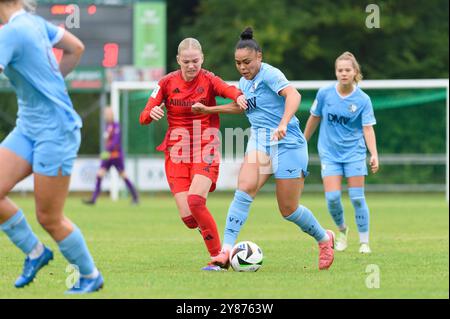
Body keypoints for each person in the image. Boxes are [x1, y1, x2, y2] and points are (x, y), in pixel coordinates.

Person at [192, 27, 335, 270]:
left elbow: (294, 95)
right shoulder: (243, 83)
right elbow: (241, 107)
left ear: (259, 57)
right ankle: (225, 251)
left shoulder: (270, 74)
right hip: (260, 141)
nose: (242, 67)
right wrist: (209, 110)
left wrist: (283, 123)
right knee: (244, 187)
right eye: (238, 63)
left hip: (288, 142)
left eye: (247, 62)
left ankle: (324, 238)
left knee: (288, 209)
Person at [0, 0, 103, 293]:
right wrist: (52, 81)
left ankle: (90, 275)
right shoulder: (33, 22)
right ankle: (35, 252)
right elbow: (76, 48)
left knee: (49, 217)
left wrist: (49, 86)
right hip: (28, 127)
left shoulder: (11, 33)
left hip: (56, 131)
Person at [139, 37, 246, 271]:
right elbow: (144, 115)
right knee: (189, 219)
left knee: (196, 201)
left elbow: (229, 90)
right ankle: (208, 232)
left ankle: (219, 256)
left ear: (202, 59)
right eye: (186, 61)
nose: (191, 66)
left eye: (195, 61)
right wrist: (152, 113)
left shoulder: (208, 79)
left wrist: (238, 95)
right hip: (176, 151)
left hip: (205, 146)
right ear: (178, 60)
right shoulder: (166, 83)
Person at [303, 51, 379, 254]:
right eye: (340, 70)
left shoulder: (363, 99)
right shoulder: (324, 94)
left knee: (356, 197)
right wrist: (303, 142)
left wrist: (374, 154)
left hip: (354, 153)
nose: (343, 73)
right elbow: (314, 118)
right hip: (329, 154)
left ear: (355, 72)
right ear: (336, 72)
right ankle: (342, 230)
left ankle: (364, 242)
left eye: (347, 70)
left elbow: (367, 128)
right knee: (333, 198)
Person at [83, 106, 139, 205]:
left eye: (108, 114)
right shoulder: (107, 126)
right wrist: (106, 151)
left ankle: (135, 197)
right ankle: (93, 199)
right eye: (105, 114)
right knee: (99, 174)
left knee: (123, 175)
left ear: (112, 114)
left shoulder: (116, 126)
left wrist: (106, 151)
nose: (106, 116)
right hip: (108, 156)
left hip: (116, 155)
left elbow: (115, 142)